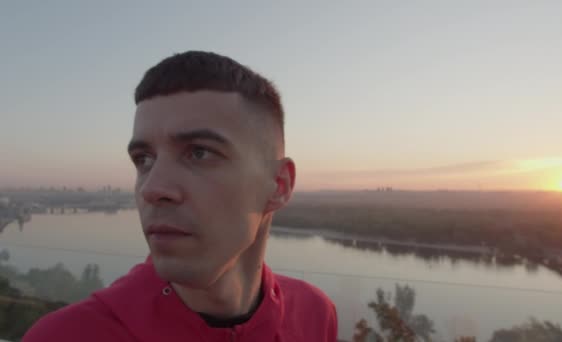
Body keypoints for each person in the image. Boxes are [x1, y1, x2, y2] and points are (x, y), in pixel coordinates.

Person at [24, 51, 338, 341]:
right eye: (144, 159)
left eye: (199, 153)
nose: (152, 189)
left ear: (279, 186)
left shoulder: (314, 314)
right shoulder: (67, 335)